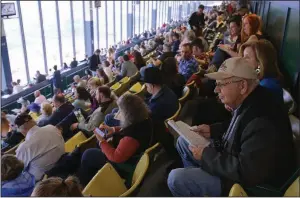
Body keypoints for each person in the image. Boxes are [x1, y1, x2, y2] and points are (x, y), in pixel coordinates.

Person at [167, 57, 296, 196]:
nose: (216, 90)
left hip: (247, 186)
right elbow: (240, 127)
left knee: (176, 179)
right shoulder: (252, 98)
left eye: (222, 84)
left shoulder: (262, 120)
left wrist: (206, 155)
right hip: (233, 158)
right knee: (182, 142)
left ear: (242, 86)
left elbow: (246, 172)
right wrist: (212, 130)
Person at [78, 93, 153, 186]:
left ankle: (86, 185)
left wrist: (102, 141)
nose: (118, 113)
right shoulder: (144, 118)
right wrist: (113, 129)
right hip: (134, 154)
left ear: (128, 114)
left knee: (88, 154)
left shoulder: (130, 138)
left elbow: (116, 157)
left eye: (121, 111)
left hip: (126, 165)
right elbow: (128, 129)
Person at [14, 113, 65, 181]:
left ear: (21, 130)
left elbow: (17, 171)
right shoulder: (52, 127)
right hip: (64, 166)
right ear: (33, 121)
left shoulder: (24, 147)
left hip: (42, 182)